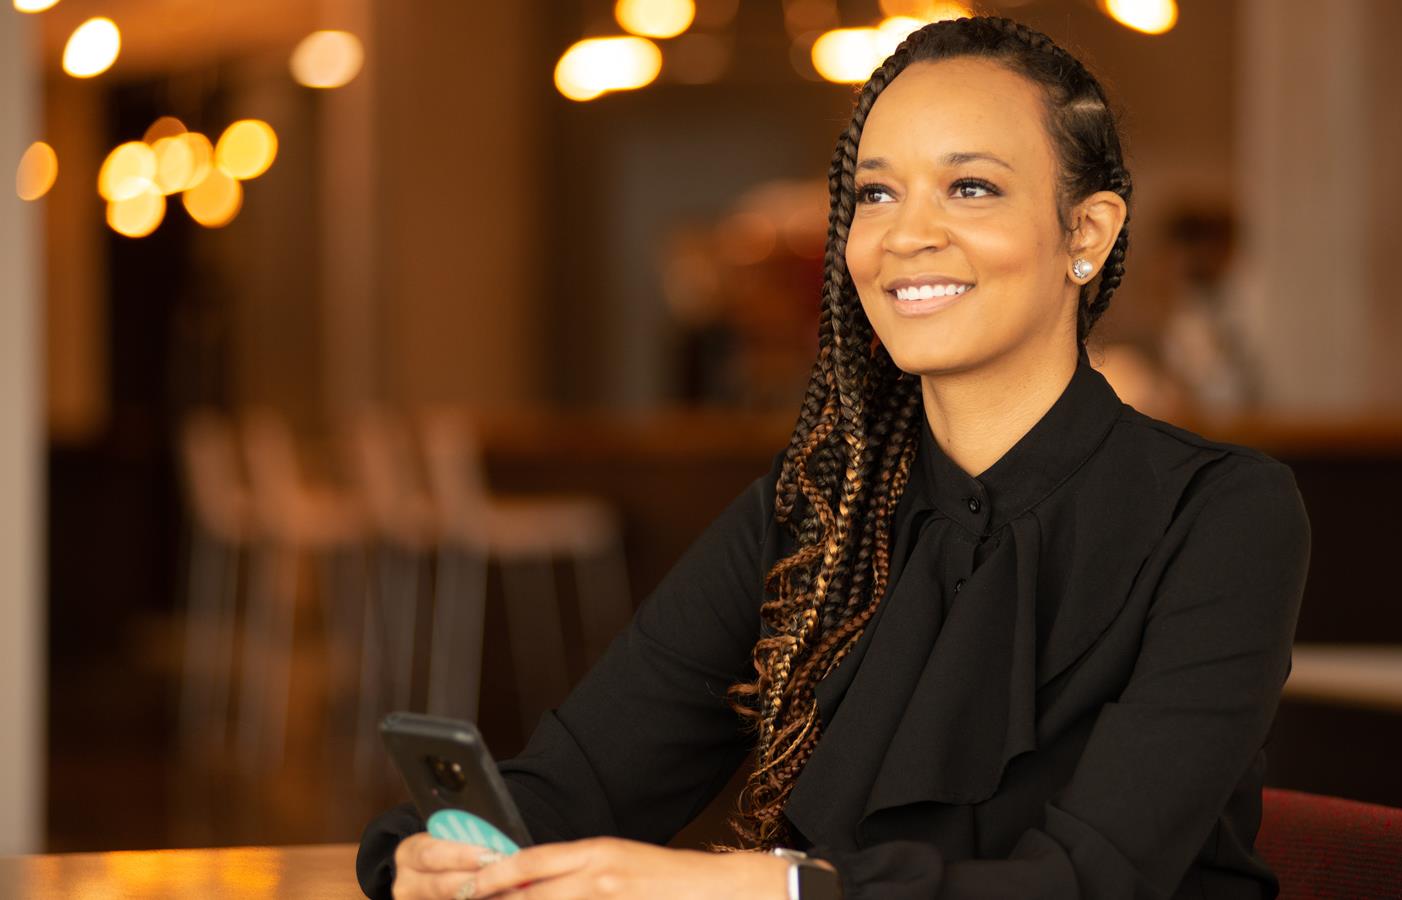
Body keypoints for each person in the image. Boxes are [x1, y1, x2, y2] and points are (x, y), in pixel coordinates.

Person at [357, 15, 1311, 900]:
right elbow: (582, 780)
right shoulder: (815, 504)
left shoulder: (1223, 516)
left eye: (970, 187)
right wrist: (431, 846)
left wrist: (760, 887)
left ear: (1086, 234)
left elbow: (1089, 883)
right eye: (876, 192)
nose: (906, 235)